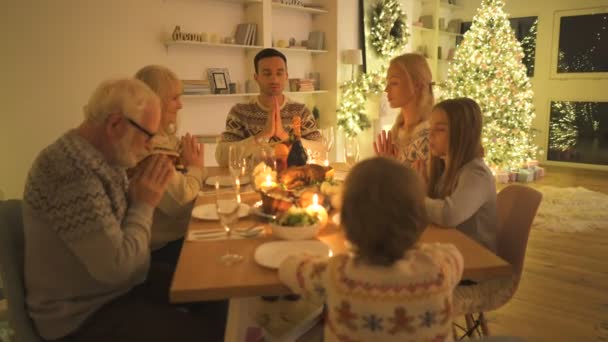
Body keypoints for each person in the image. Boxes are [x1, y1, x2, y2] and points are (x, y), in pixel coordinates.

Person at [22, 78, 224, 341]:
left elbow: (128, 256)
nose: (151, 145)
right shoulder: (71, 171)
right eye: (148, 135)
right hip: (83, 315)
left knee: (215, 289)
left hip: (119, 289)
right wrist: (144, 203)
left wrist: (140, 199)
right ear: (115, 124)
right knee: (213, 333)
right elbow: (118, 269)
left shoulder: (105, 158)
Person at [279, 157, 463, 341]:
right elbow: (454, 253)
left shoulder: (337, 273)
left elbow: (288, 267)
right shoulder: (441, 267)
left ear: (345, 224)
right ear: (420, 220)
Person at [135, 65, 205, 265]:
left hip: (177, 239)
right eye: (174, 98)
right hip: (160, 252)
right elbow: (182, 202)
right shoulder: (149, 149)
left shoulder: (166, 140)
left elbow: (195, 184)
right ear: (154, 102)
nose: (180, 105)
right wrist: (195, 168)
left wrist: (193, 167)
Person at [215, 48, 322, 167]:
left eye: (279, 73)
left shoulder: (301, 112)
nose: (274, 79)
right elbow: (222, 158)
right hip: (252, 182)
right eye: (267, 74)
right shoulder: (240, 112)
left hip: (293, 181)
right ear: (256, 77)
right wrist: (262, 135)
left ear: (286, 76)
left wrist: (284, 136)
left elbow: (321, 151)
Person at [420, 97, 498, 253]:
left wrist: (413, 198)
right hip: (451, 252)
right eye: (430, 129)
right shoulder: (445, 170)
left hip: (475, 262)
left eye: (440, 129)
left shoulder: (476, 174)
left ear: (462, 134)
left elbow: (448, 214)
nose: (431, 135)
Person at [373, 53, 433, 170]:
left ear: (417, 86)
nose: (386, 89)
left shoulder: (429, 136)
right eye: (387, 83)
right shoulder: (397, 131)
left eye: (394, 83)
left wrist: (390, 167)